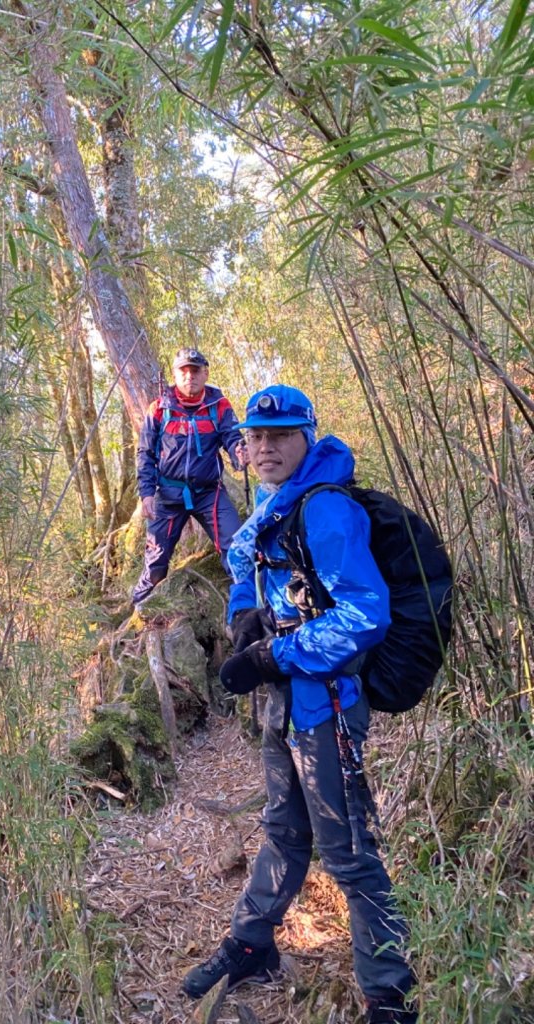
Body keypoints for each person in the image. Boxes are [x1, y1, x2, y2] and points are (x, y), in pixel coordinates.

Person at [181, 384, 418, 1024]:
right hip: (283, 705)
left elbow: (364, 616)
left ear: (306, 437)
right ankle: (253, 944)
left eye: (280, 436)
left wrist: (268, 658)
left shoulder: (325, 509)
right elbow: (250, 576)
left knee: (347, 853)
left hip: (328, 706)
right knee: (285, 832)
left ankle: (390, 993)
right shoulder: (270, 505)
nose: (265, 447)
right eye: (256, 436)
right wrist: (243, 622)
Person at [132, 348, 244, 605]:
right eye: (183, 371)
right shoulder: (159, 409)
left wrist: (240, 455)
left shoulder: (219, 406)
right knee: (155, 562)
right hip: (168, 496)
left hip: (209, 493)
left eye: (195, 370)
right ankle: (139, 612)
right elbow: (145, 453)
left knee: (237, 549)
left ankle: (248, 608)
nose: (189, 376)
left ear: (205, 373)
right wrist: (147, 494)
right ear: (175, 375)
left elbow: (232, 437)